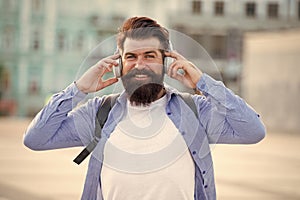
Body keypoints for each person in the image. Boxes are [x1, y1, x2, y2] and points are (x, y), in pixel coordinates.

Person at [24, 16, 266, 200]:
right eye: (131, 57)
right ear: (119, 64)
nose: (140, 65)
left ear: (166, 61)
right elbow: (36, 139)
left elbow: (253, 131)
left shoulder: (195, 110)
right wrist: (79, 89)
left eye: (150, 55)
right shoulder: (98, 113)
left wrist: (203, 83)